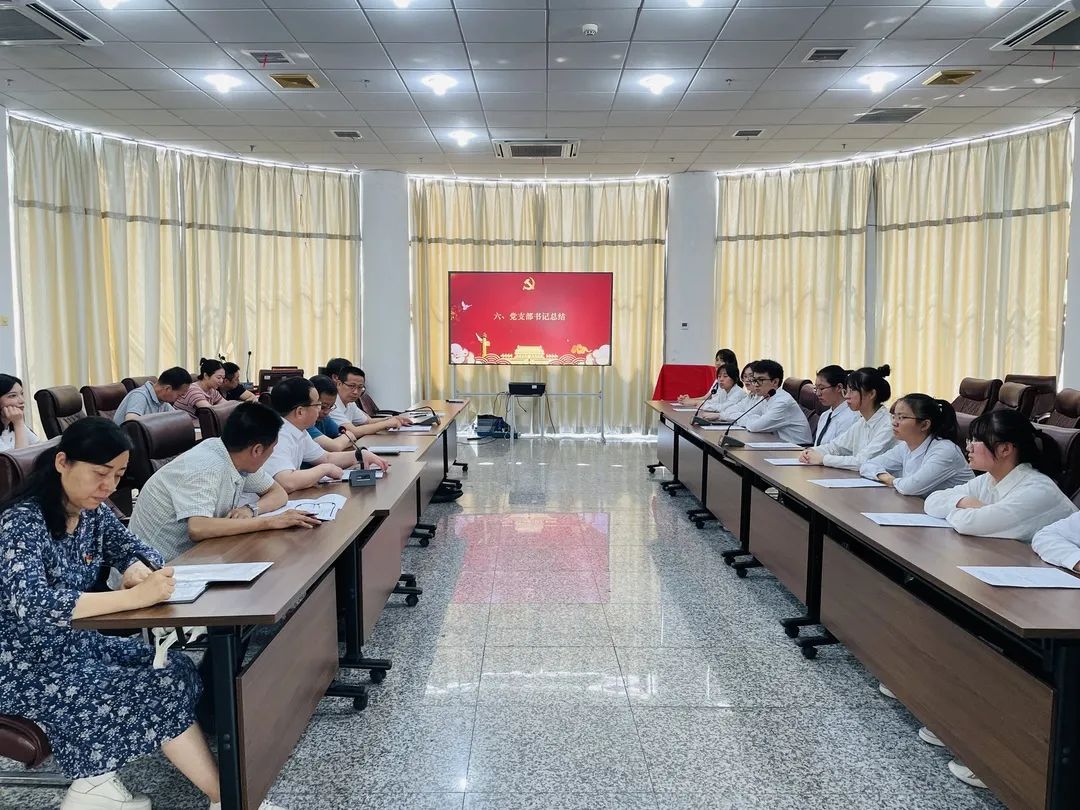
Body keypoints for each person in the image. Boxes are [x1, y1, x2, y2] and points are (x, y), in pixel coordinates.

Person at [0, 418, 287, 810]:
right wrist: (135, 598)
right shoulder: (21, 523)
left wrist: (137, 568)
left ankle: (94, 784)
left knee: (176, 668)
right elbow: (35, 604)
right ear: (63, 463)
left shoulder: (91, 512)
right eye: (100, 473)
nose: (108, 486)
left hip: (78, 646)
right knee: (156, 687)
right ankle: (228, 800)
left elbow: (137, 547)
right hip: (24, 667)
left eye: (118, 476)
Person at [130, 402, 321, 561]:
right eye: (272, 448)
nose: (271, 454)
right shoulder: (205, 466)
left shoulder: (236, 457)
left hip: (199, 556)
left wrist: (250, 510)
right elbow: (198, 528)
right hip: (154, 569)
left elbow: (277, 493)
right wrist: (270, 522)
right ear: (257, 450)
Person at [924, 409, 1076, 540]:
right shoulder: (989, 478)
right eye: (970, 440)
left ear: (1005, 449)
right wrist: (964, 502)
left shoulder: (1037, 490)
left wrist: (957, 510)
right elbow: (932, 501)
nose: (969, 447)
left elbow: (968, 524)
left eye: (976, 441)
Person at [263, 376, 388, 493]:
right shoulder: (277, 435)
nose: (319, 409)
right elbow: (287, 482)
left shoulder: (299, 431)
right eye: (317, 405)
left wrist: (360, 455)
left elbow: (326, 458)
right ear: (300, 412)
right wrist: (325, 469)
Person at [859, 394, 974, 496]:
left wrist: (891, 481)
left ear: (924, 425)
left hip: (959, 511)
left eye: (901, 417)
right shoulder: (905, 446)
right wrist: (888, 478)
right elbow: (867, 466)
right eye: (894, 417)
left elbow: (909, 488)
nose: (894, 423)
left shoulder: (945, 451)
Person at [800, 365, 896, 469]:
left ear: (871, 394)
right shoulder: (862, 422)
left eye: (852, 391)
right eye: (846, 391)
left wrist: (823, 459)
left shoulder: (889, 425)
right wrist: (810, 452)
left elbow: (863, 461)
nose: (846, 396)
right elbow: (835, 447)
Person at [728, 359, 812, 445]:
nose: (756, 384)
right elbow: (744, 417)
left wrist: (754, 419)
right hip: (779, 444)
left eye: (761, 380)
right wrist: (754, 418)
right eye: (754, 380)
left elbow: (754, 427)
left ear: (775, 382)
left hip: (798, 448)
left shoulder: (783, 402)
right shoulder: (766, 397)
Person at [328, 365, 411, 438]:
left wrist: (391, 419)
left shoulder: (350, 403)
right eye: (351, 386)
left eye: (360, 387)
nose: (356, 392)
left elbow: (367, 421)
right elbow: (353, 431)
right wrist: (386, 423)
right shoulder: (331, 405)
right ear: (339, 384)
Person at [113, 367, 191, 424]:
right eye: (180, 395)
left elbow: (178, 420)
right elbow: (132, 424)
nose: (180, 398)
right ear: (168, 388)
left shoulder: (162, 402)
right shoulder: (139, 396)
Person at [810, 365, 858, 446]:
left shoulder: (851, 417)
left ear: (839, 387)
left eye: (821, 388)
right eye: (816, 388)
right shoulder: (824, 416)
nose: (818, 393)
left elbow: (840, 450)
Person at [0, 373, 40, 451]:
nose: (22, 400)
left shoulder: (13, 423)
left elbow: (40, 448)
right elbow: (22, 456)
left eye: (22, 394)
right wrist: (18, 423)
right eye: (12, 396)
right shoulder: (17, 422)